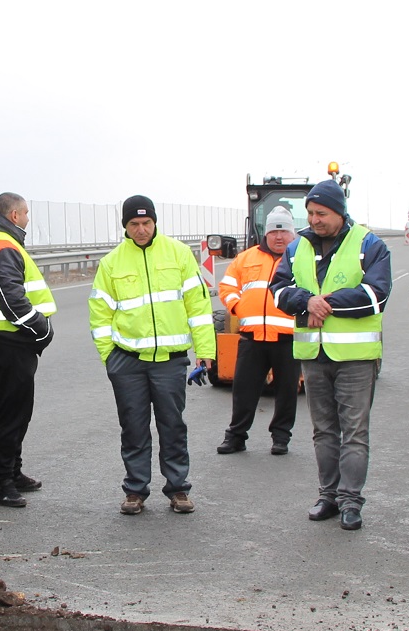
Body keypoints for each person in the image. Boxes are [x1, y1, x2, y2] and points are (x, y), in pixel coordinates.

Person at [272, 178, 394, 530]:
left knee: (354, 432)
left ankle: (351, 501)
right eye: (309, 213)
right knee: (323, 431)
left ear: (339, 211)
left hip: (355, 357)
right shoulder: (296, 249)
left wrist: (324, 304)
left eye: (321, 213)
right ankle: (327, 494)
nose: (314, 220)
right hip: (313, 354)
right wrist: (305, 301)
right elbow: (278, 290)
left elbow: (376, 294)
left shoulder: (369, 244)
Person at [90, 196, 217, 515]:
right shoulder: (112, 263)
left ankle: (178, 489)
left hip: (170, 361)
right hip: (127, 362)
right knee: (133, 427)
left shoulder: (179, 254)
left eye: (146, 223)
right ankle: (135, 490)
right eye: (134, 224)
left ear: (156, 222)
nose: (141, 229)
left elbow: (198, 308)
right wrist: (110, 358)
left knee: (173, 425)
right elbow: (99, 314)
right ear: (125, 226)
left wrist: (205, 350)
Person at [0, 192, 55, 508]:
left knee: (20, 411)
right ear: (15, 215)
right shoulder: (1, 245)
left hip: (9, 340)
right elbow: (12, 300)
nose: (28, 219)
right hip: (8, 341)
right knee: (10, 415)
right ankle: (1, 484)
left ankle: (13, 473)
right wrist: (42, 330)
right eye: (26, 213)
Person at [216, 207, 299, 456]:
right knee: (243, 390)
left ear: (292, 234)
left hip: (288, 338)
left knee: (286, 391)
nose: (279, 236)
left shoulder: (302, 259)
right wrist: (237, 306)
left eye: (284, 231)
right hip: (252, 337)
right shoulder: (246, 258)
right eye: (274, 230)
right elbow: (227, 286)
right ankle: (236, 436)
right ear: (267, 233)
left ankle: (281, 437)